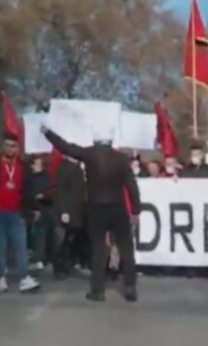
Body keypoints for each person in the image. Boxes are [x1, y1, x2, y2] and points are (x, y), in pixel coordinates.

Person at [42, 126, 140, 303]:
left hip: (96, 208)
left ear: (95, 140)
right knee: (126, 247)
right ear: (111, 141)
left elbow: (65, 147)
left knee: (98, 249)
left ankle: (97, 290)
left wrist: (48, 133)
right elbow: (131, 186)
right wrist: (136, 209)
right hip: (117, 207)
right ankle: (130, 287)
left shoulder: (89, 155)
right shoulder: (121, 159)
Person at [0, 132, 40, 293]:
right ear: (2, 147)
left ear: (17, 148)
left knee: (21, 246)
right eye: (6, 145)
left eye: (12, 146)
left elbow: (28, 190)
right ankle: (1, 276)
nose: (9, 149)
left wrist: (33, 208)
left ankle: (23, 277)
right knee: (1, 246)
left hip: (17, 213)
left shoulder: (23, 167)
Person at [54, 156, 88, 275]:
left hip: (77, 210)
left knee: (70, 240)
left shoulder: (79, 168)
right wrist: (63, 211)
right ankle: (58, 267)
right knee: (62, 240)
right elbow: (60, 190)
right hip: (67, 211)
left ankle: (66, 264)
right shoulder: (65, 167)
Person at [27, 156, 55, 271]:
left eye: (40, 163)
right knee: (36, 235)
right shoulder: (29, 178)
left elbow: (53, 190)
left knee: (43, 235)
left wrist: (44, 195)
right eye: (37, 163)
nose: (40, 165)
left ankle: (42, 258)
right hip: (33, 209)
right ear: (32, 165)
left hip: (46, 209)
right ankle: (38, 257)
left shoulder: (46, 177)